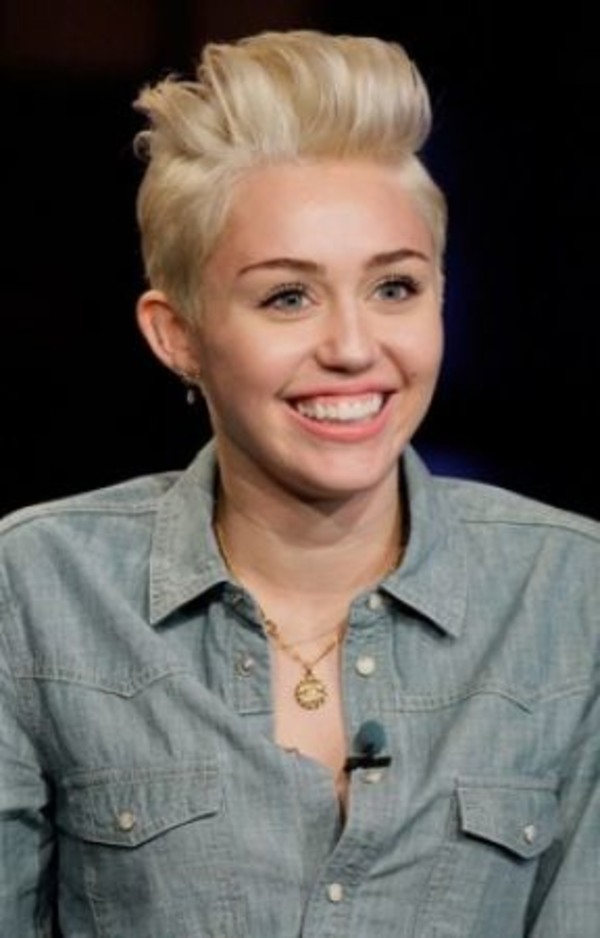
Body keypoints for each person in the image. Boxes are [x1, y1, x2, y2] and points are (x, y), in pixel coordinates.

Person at [0, 29, 598, 938]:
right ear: (177, 334)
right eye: (289, 296)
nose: (354, 347)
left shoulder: (572, 593)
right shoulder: (35, 589)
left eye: (394, 288)